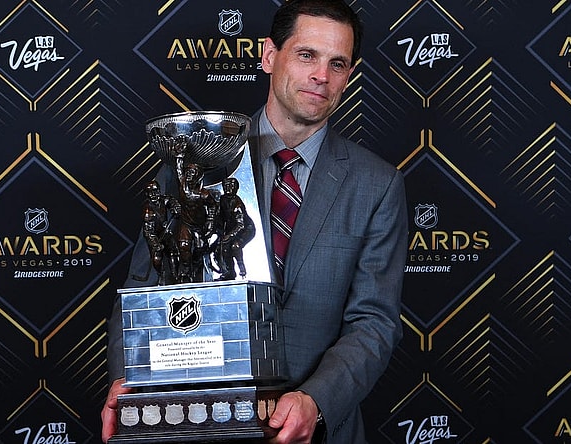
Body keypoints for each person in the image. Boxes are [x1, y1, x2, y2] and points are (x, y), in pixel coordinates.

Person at [102, 0, 407, 442]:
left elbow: (375, 321)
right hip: (195, 423)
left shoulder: (377, 185)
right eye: (306, 55)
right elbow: (141, 292)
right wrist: (128, 385)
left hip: (313, 432)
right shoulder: (196, 163)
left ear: (348, 75)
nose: (321, 75)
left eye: (337, 63)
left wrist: (316, 402)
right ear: (268, 56)